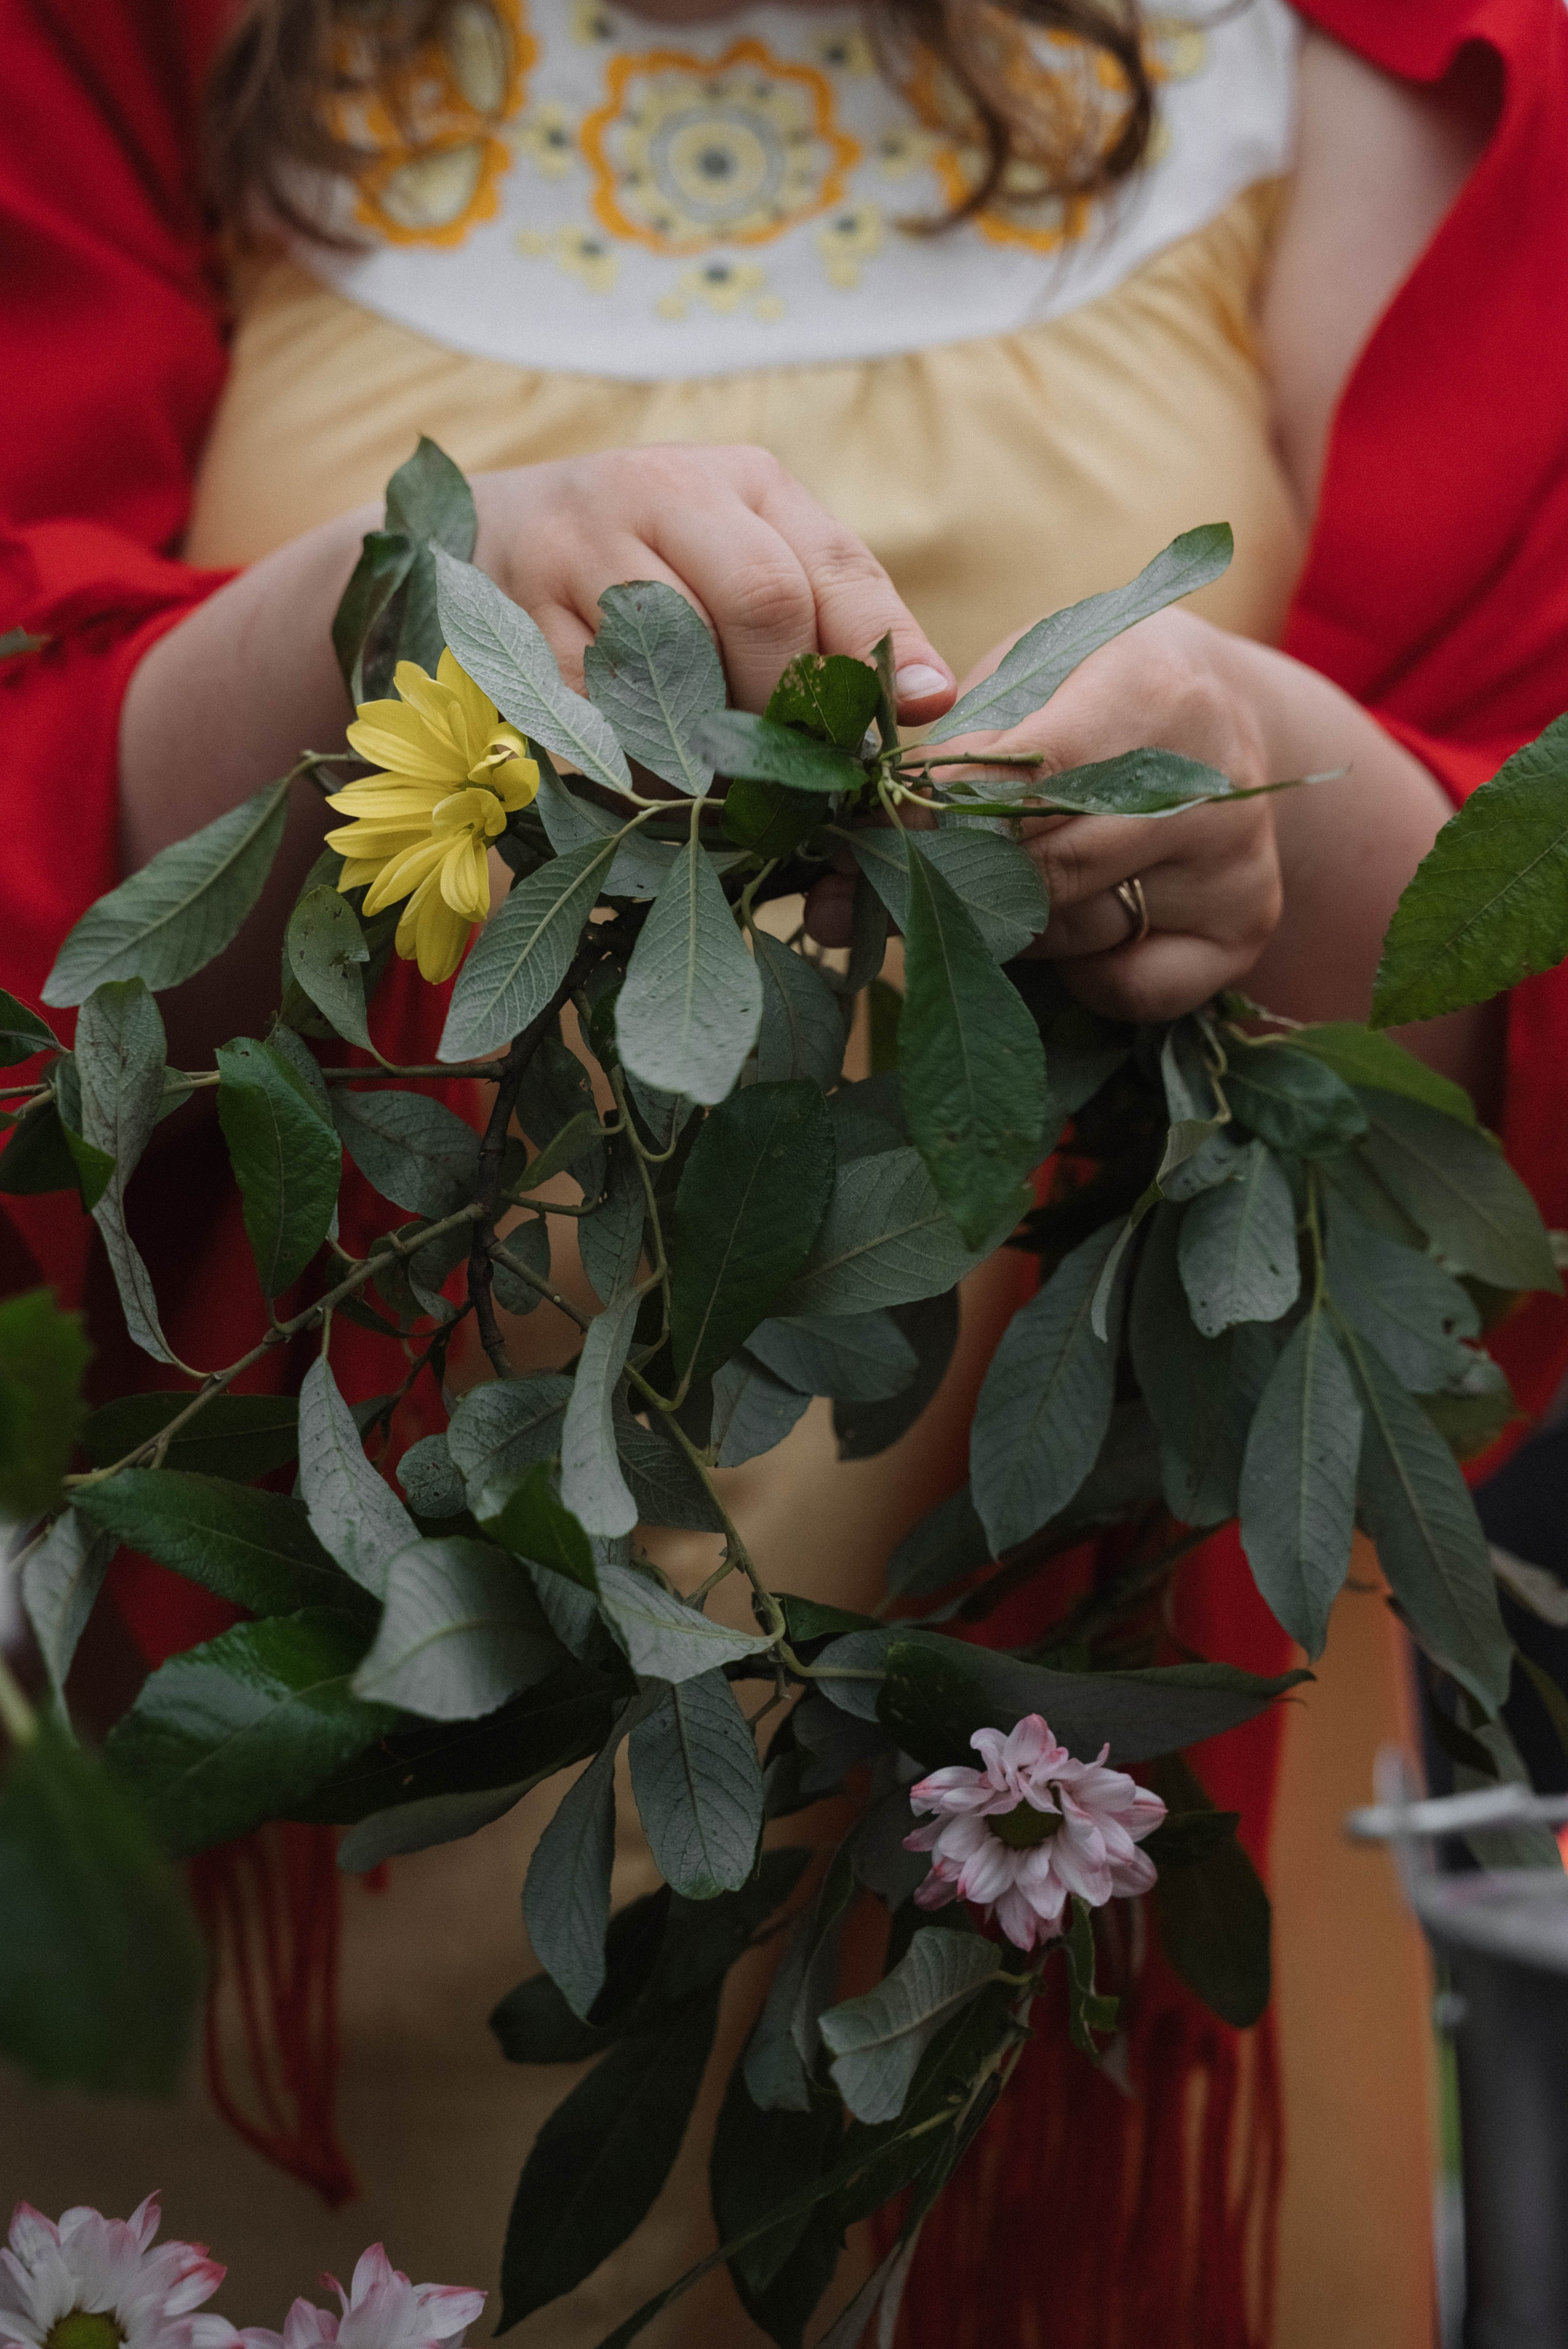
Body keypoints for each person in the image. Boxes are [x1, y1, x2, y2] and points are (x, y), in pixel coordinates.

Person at [4, 0, 1568, 2342]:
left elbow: (1501, 1049)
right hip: (304, 1847)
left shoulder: (1381, 70)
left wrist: (1269, 788)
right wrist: (374, 651)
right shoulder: (124, 47)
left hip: (1051, 1864)